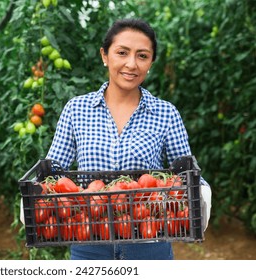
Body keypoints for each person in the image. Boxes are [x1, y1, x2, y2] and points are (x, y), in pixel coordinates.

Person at [45, 18, 212, 260]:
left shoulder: (165, 113)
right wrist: (40, 191)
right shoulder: (76, 109)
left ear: (151, 63)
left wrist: (202, 190)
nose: (131, 64)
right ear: (105, 55)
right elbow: (55, 171)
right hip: (89, 239)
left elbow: (183, 173)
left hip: (150, 241)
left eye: (142, 56)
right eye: (122, 52)